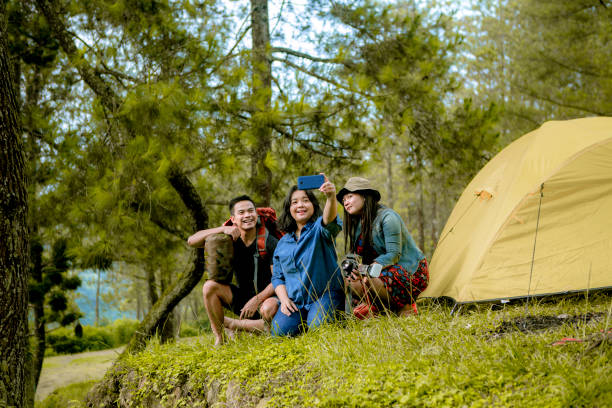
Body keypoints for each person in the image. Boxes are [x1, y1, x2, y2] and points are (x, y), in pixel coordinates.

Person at [187, 195, 279, 345]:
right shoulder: (228, 240)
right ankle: (220, 337)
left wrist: (256, 300)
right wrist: (223, 228)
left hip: (267, 299)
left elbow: (278, 279)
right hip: (242, 299)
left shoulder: (268, 242)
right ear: (233, 219)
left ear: (256, 214)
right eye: (241, 212)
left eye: (251, 211)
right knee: (209, 287)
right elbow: (191, 241)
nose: (247, 215)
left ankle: (233, 324)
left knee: (270, 310)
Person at [337, 177, 429, 317]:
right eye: (344, 200)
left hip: (411, 270)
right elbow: (355, 253)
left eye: (350, 196)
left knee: (372, 276)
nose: (346, 202)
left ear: (365, 195)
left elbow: (394, 254)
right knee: (350, 278)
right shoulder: (358, 224)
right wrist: (352, 266)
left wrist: (369, 268)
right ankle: (381, 309)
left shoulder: (388, 217)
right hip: (380, 271)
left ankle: (406, 306)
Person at [270, 174, 344, 336]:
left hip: (325, 295)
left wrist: (331, 197)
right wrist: (284, 300)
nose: (300, 205)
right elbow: (277, 277)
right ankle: (303, 320)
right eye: (294, 202)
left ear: (313, 205)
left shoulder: (319, 229)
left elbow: (329, 221)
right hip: (296, 302)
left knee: (319, 328)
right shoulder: (283, 243)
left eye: (305, 200)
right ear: (289, 209)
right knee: (278, 333)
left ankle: (322, 316)